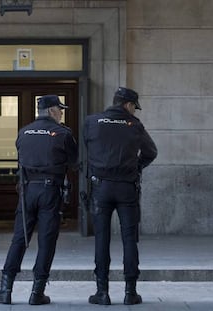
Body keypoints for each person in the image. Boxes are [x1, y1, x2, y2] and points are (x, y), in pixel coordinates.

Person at [0, 95, 78, 305]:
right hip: (50, 191)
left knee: (19, 239)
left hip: (27, 191)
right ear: (51, 111)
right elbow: (75, 163)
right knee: (46, 241)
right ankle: (37, 292)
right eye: (60, 109)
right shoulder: (63, 133)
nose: (62, 113)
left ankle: (5, 289)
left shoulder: (24, 132)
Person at [83, 87, 157, 305]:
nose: (135, 111)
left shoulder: (92, 122)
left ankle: (102, 292)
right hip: (127, 188)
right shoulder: (134, 125)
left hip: (101, 187)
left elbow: (86, 151)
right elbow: (151, 152)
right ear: (128, 105)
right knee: (129, 239)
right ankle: (130, 292)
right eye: (135, 107)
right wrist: (136, 167)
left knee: (101, 239)